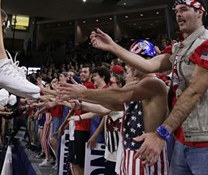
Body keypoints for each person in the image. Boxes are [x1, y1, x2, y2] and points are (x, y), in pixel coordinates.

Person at [91, 0, 208, 175]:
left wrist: (162, 133)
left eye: (184, 10)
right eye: (176, 11)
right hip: (183, 140)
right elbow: (148, 64)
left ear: (200, 12)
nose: (178, 15)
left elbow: (194, 92)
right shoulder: (179, 47)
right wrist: (113, 47)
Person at [60, 41, 169, 175]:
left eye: (135, 59)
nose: (130, 64)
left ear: (147, 60)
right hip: (130, 152)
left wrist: (82, 93)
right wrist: (81, 103)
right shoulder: (138, 84)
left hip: (145, 156)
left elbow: (119, 96)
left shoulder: (154, 83)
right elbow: (114, 105)